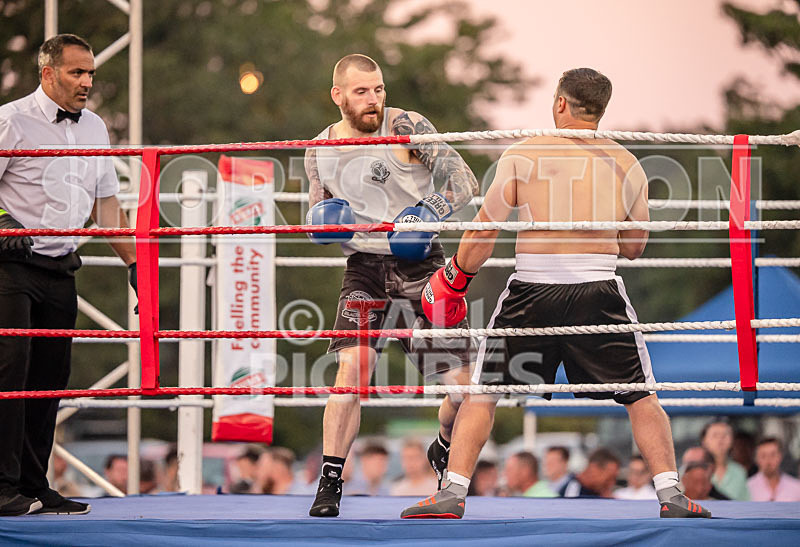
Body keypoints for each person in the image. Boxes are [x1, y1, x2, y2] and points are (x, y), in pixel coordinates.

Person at [402, 68, 710, 519]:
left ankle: (452, 493)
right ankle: (671, 495)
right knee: (640, 395)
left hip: (532, 289)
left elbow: (484, 233)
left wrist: (455, 276)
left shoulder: (524, 154)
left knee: (484, 393)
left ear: (560, 104)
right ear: (602, 111)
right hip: (598, 288)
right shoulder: (626, 162)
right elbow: (635, 246)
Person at [304, 54, 478, 517]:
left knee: (463, 386)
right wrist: (321, 223)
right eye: (362, 92)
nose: (374, 100)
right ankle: (330, 481)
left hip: (422, 263)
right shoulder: (319, 148)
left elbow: (464, 181)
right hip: (364, 268)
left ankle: (442, 443)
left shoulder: (407, 125)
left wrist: (428, 212)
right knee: (351, 372)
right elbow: (317, 213)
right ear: (338, 95)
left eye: (378, 89)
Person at [0, 34, 137, 517]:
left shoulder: (96, 127)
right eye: (77, 73)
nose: (87, 82)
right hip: (10, 267)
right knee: (10, 374)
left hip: (62, 267)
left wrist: (135, 263)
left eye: (91, 73)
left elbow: (106, 206)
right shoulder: (11, 119)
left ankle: (35, 486)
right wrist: (2, 220)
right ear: (48, 73)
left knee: (50, 379)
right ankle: (1, 486)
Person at [700, 420, 750, 500]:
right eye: (715, 435)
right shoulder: (692, 471)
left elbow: (746, 503)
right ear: (704, 441)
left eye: (725, 435)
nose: (720, 440)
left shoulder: (739, 472)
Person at [747, 437, 800, 502]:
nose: (768, 461)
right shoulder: (747, 488)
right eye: (763, 456)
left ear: (780, 456)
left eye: (773, 455)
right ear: (757, 459)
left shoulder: (796, 487)